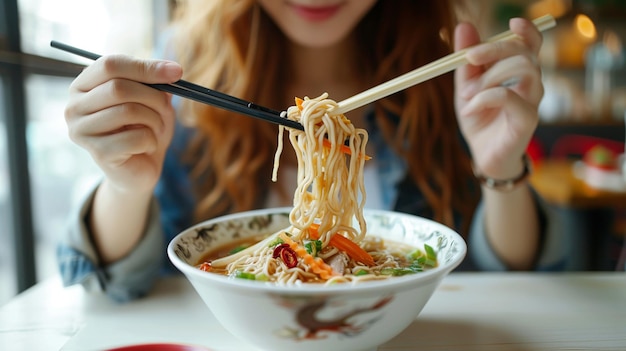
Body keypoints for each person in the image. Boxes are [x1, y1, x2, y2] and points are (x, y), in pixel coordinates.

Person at [57, 0, 565, 302]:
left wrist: (501, 169)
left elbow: (515, 290)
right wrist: (126, 184)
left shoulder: (444, 75)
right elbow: (115, 288)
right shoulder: (187, 71)